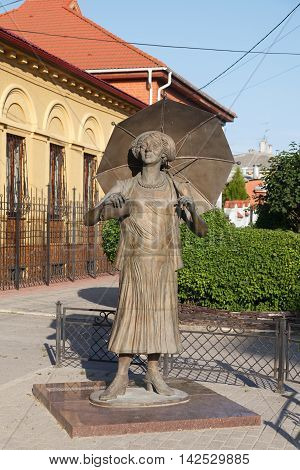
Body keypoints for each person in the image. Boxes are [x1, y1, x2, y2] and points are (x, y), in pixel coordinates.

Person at [84, 130, 208, 400]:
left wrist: (192, 209)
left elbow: (201, 231)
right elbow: (89, 219)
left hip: (163, 263)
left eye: (153, 145)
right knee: (130, 314)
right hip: (135, 261)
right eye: (142, 145)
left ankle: (154, 373)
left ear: (164, 155)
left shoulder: (177, 187)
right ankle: (121, 376)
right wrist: (106, 203)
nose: (147, 149)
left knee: (159, 317)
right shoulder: (125, 186)